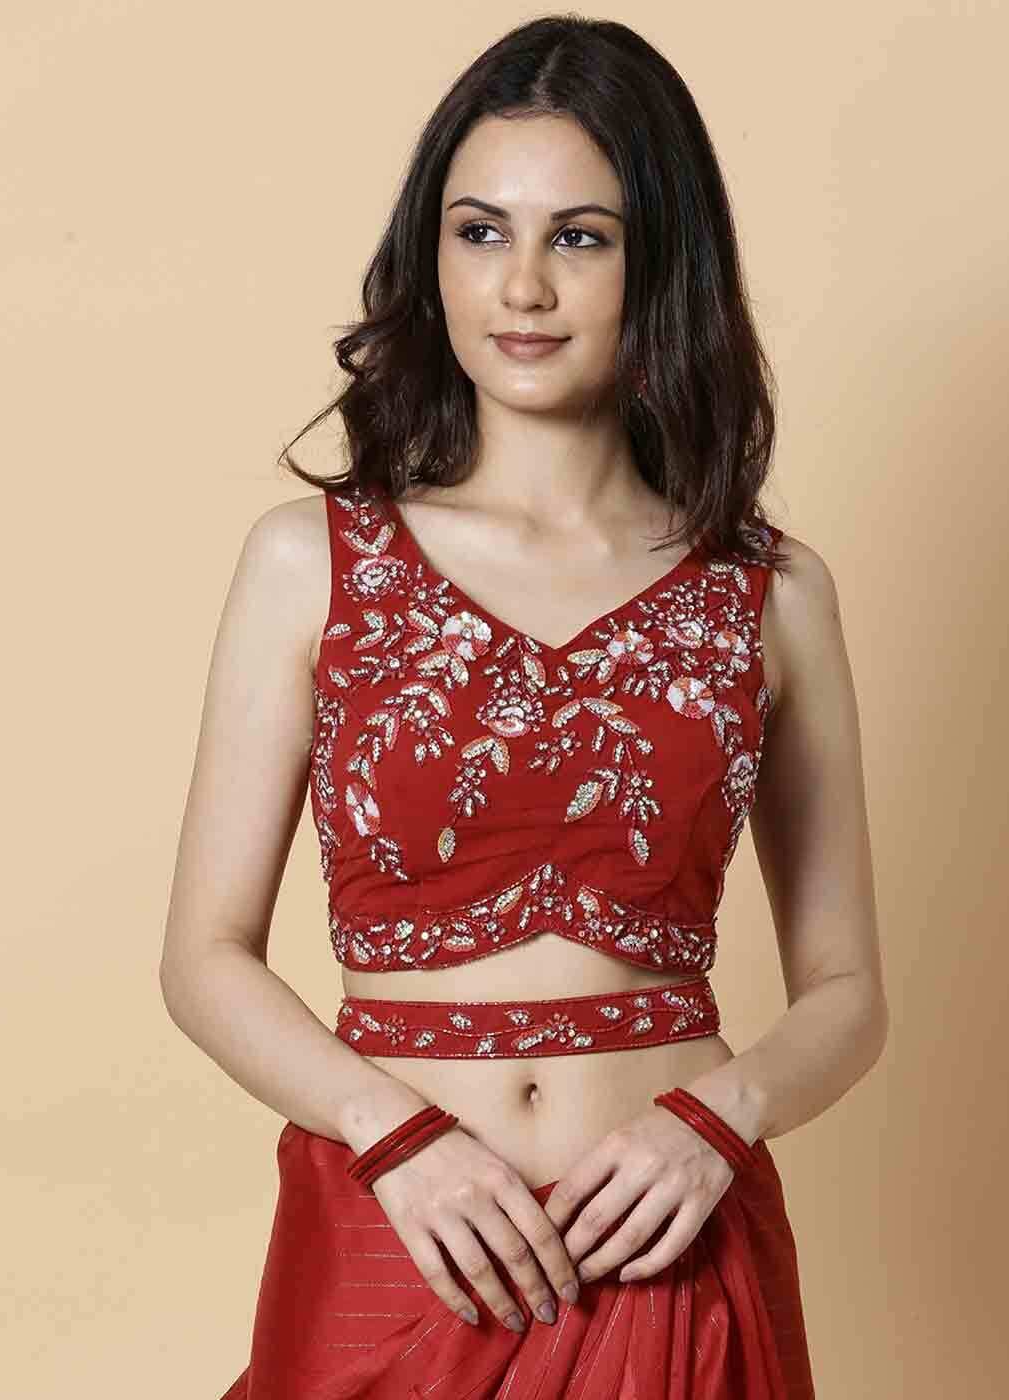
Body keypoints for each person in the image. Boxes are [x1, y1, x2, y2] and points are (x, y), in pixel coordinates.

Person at [160, 15, 888, 1399]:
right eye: (482, 231)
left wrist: (717, 1121)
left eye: (583, 237)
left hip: (666, 1240)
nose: (525, 286)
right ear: (429, 257)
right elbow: (204, 958)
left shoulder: (769, 590)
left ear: (660, 264)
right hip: (399, 1233)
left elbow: (847, 992)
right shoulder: (310, 561)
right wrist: (392, 1137)